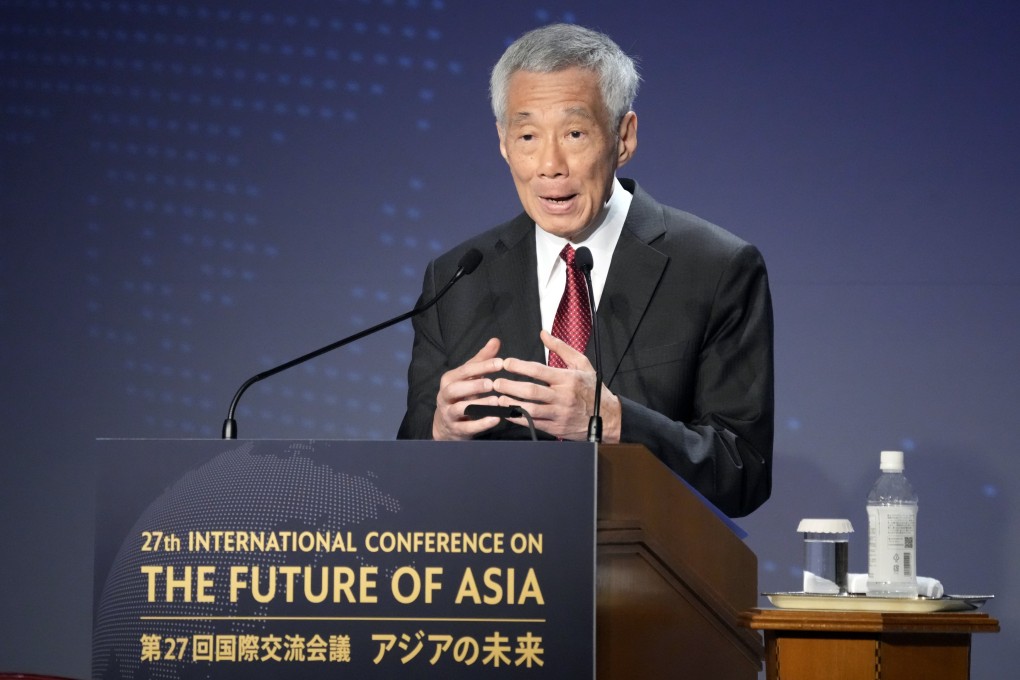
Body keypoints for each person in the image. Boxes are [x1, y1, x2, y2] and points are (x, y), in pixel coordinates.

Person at [397, 23, 773, 517]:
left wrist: (615, 422)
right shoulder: (457, 278)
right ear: (504, 143)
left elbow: (743, 471)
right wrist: (439, 434)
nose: (550, 165)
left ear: (623, 137)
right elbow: (406, 471)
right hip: (500, 580)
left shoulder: (716, 268)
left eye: (574, 133)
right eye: (528, 135)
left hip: (646, 583)